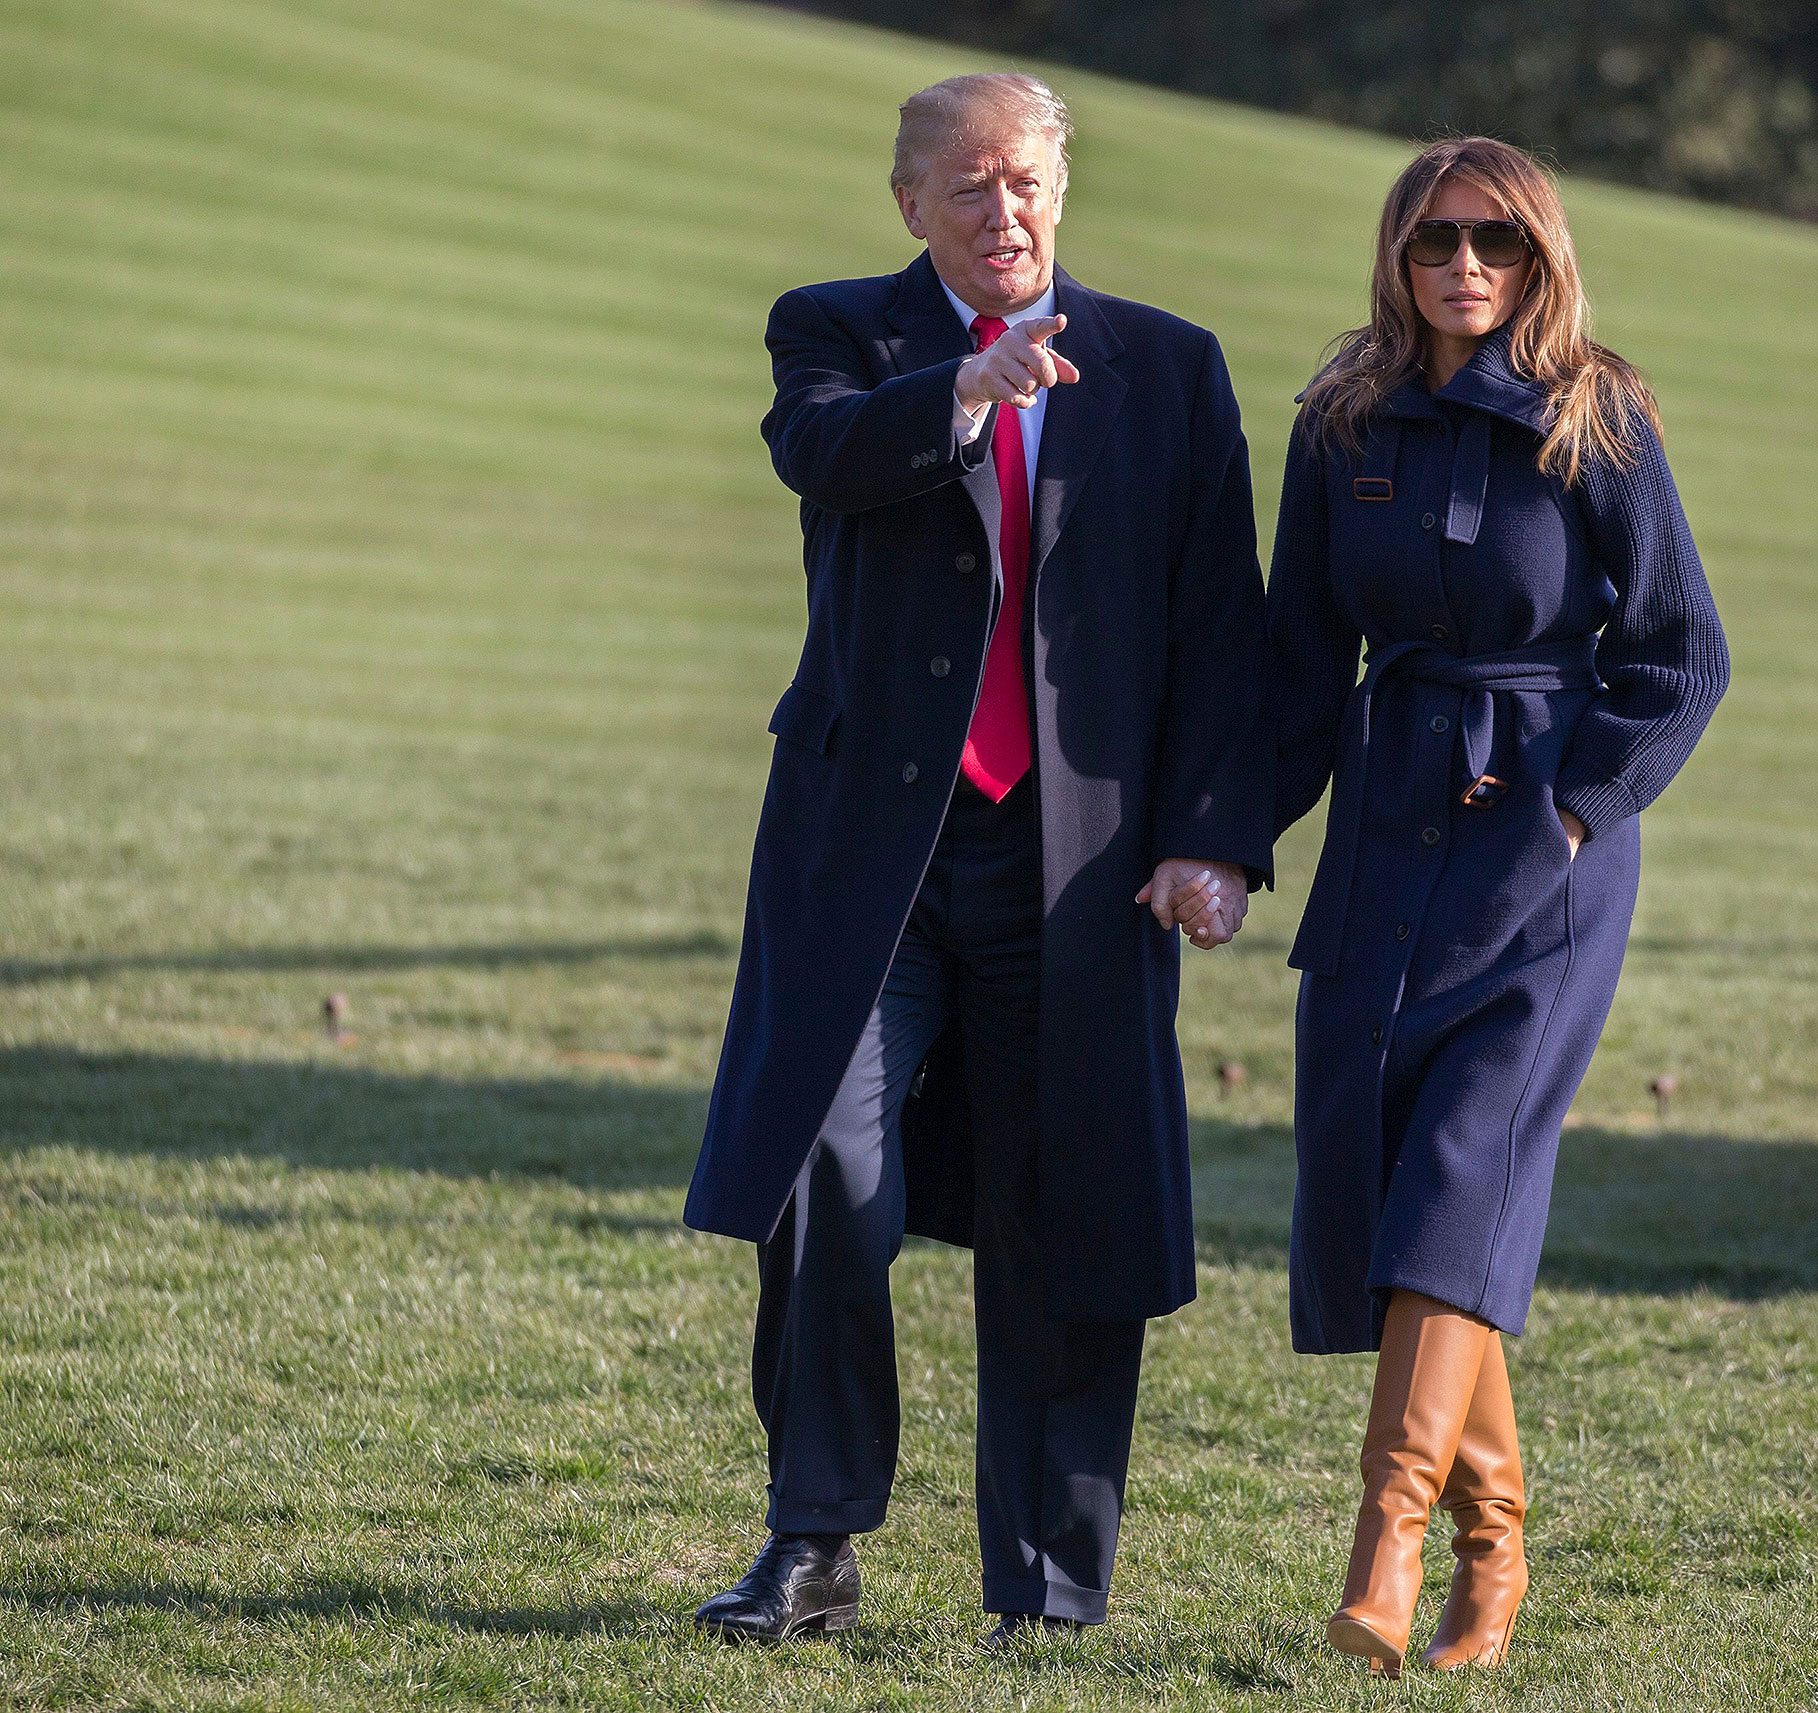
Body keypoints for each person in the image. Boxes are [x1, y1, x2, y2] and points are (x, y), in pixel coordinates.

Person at [682, 73, 1271, 1644]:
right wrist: (970, 388)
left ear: (1063, 185)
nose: (1001, 216)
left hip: (1080, 869)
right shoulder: (835, 332)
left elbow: (1227, 631)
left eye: (1024, 183)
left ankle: (1051, 1583)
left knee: (1060, 1204)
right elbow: (825, 456)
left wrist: (1215, 839)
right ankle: (813, 1538)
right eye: (966, 192)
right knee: (827, 1173)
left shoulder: (1168, 368)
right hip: (870, 856)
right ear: (908, 208)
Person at [1266, 136, 1729, 1677]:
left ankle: (1383, 1553)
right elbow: (1292, 662)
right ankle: (1495, 1548)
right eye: (1438, 239)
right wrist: (1217, 837)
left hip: (1545, 844)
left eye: (1502, 242)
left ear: (1541, 257)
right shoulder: (1343, 421)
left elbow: (1680, 657)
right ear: (1398, 255)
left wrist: (1580, 810)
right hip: (1387, 824)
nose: (1469, 265)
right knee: (1399, 1183)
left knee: (1464, 1168)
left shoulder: (1603, 415)